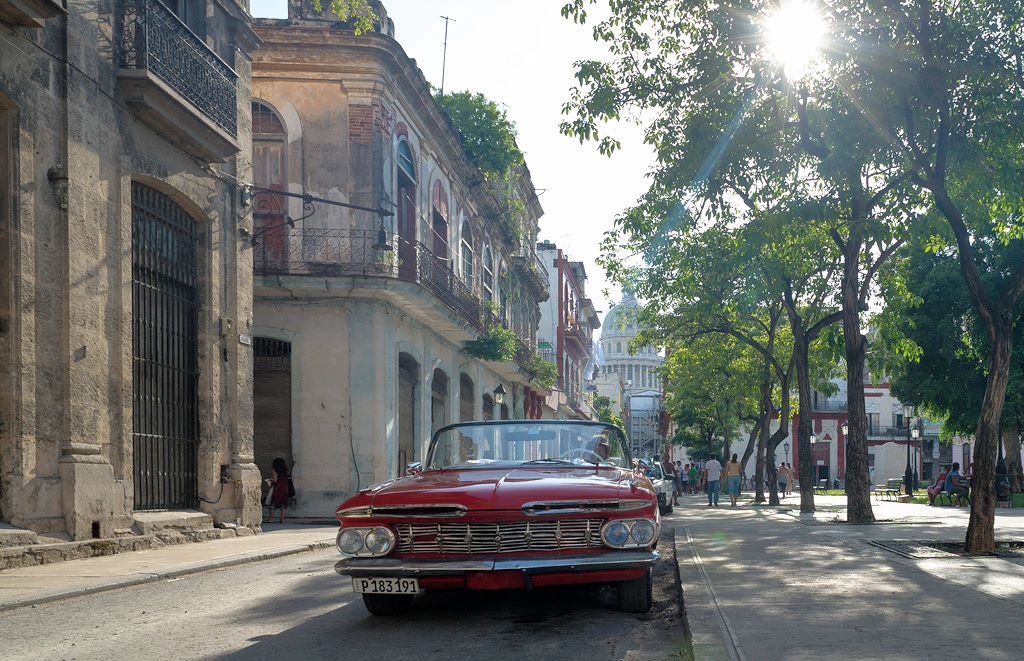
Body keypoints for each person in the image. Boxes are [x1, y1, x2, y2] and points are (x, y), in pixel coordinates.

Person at [269, 457, 290, 523]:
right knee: (283, 505)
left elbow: (275, 480)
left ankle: (271, 519)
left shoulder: (275, 471)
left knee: (274, 504)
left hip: (277, 489)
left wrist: (271, 482)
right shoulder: (285, 471)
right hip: (285, 489)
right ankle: (283, 519)